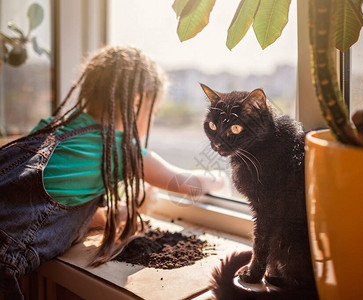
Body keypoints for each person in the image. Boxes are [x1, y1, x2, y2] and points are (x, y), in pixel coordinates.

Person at [0, 46, 225, 299]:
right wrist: (219, 179)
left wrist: (107, 215)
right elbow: (186, 184)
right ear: (138, 102)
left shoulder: (51, 128)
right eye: (155, 111)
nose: (152, 120)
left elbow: (45, 209)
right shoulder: (119, 149)